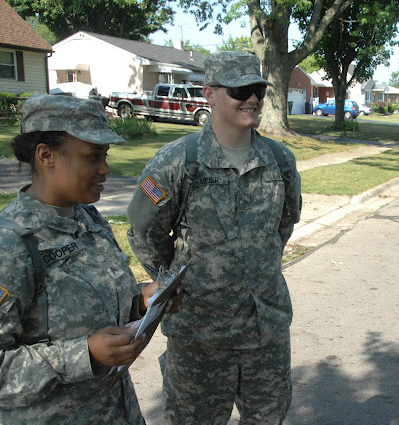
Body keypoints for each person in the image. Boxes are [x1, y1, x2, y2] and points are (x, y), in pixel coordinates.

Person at [0, 94, 181, 424]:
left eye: (105, 155)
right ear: (46, 156)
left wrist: (142, 302)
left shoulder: (88, 219)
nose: (106, 168)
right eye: (92, 156)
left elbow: (90, 311)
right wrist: (82, 354)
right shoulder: (5, 247)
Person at [126, 51, 302, 424]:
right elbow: (144, 232)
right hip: (199, 335)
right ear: (209, 94)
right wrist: (173, 281)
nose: (252, 99)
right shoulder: (176, 162)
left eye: (257, 89)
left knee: (268, 418)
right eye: (240, 90)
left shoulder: (280, 161)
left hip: (264, 331)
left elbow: (282, 227)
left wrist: (249, 266)